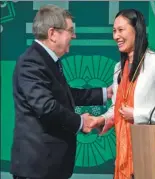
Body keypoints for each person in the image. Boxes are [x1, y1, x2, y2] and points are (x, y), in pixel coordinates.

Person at [10, 5, 113, 179]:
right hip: (38, 168)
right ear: (52, 34)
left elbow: (65, 95)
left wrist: (105, 93)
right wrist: (80, 122)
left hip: (50, 166)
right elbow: (46, 106)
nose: (74, 36)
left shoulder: (47, 60)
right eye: (70, 31)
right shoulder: (31, 62)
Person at [90, 9, 155, 179]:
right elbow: (118, 108)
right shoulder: (118, 68)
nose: (115, 36)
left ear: (137, 30)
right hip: (123, 151)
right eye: (114, 31)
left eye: (121, 30)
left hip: (153, 152)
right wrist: (102, 119)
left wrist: (137, 114)